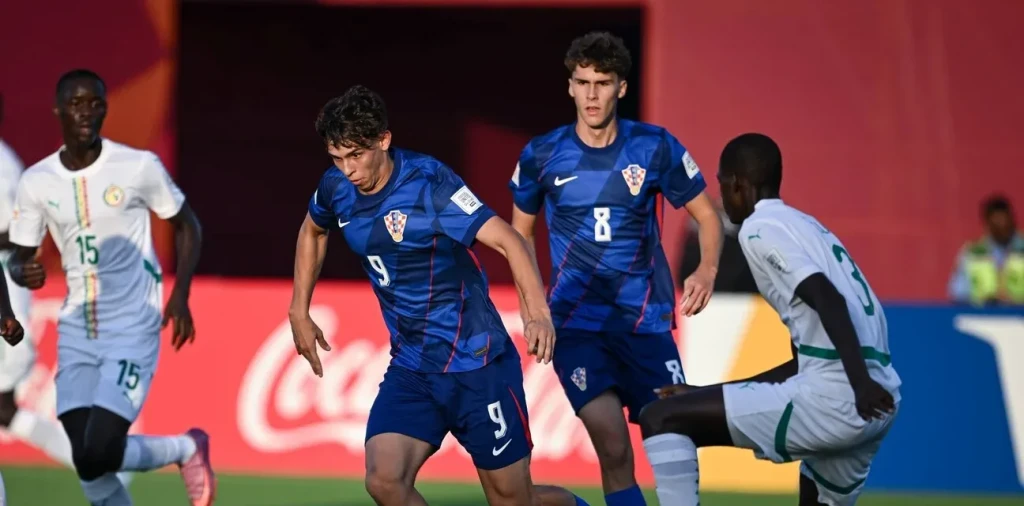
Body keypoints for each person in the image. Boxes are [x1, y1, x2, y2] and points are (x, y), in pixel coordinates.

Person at [290, 85, 590, 506]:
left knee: (512, 499)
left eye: (356, 155)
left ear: (383, 140)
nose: (348, 170)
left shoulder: (430, 184)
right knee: (384, 480)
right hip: (413, 366)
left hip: (477, 363)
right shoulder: (335, 186)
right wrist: (298, 310)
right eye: (337, 158)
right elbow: (313, 230)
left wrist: (538, 313)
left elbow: (509, 239)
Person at [508, 31, 723, 506]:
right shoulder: (542, 154)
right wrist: (533, 310)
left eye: (602, 83)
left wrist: (706, 269)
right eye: (582, 82)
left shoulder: (654, 147)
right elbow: (517, 237)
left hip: (644, 323)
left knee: (674, 437)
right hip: (577, 325)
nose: (591, 94)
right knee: (613, 446)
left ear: (621, 88)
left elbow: (708, 216)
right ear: (569, 86)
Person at [638, 133, 902, 506]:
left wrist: (858, 384)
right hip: (880, 401)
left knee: (661, 418)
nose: (721, 196)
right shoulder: (807, 226)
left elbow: (827, 298)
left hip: (841, 397)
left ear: (737, 185)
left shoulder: (759, 229)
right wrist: (703, 393)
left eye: (721, 184)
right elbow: (801, 362)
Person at [7, 69, 215, 506]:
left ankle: (185, 448)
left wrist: (180, 294)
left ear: (104, 109)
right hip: (76, 328)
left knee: (100, 449)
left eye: (95, 103)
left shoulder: (138, 166)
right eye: (76, 104)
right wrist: (25, 272)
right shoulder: (37, 181)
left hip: (132, 325)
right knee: (87, 461)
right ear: (58, 111)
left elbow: (187, 225)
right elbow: (20, 258)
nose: (86, 112)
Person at [2, 92, 98, 477]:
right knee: (4, 410)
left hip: (7, 300)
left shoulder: (3, 166)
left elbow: (17, 235)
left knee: (3, 408)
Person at [947, 195, 1024, 305]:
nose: (1002, 225)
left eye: (1005, 220)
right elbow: (957, 292)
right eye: (997, 222)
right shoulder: (972, 253)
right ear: (987, 223)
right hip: (983, 313)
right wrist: (983, 301)